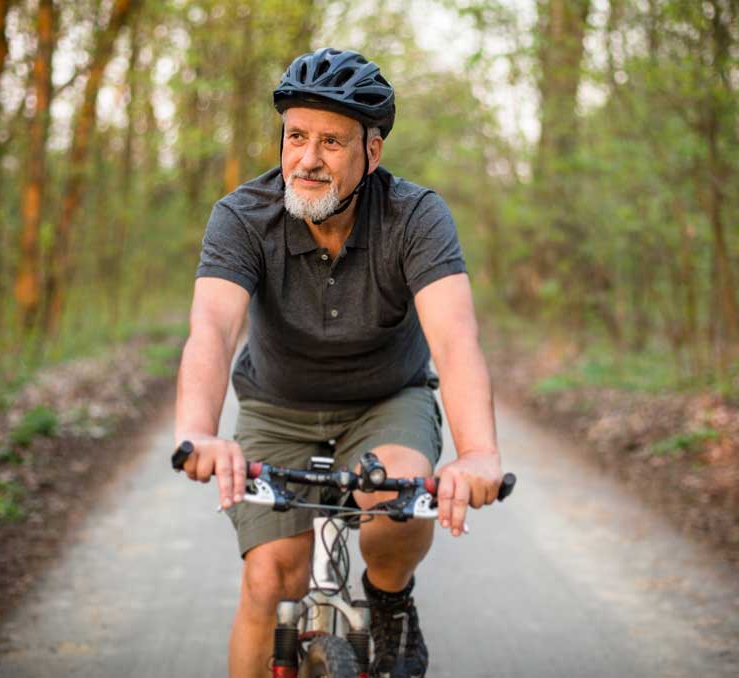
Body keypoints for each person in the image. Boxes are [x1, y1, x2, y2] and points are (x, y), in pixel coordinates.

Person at [174, 47, 505, 678]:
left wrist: (478, 452)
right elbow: (212, 330)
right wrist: (196, 430)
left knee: (396, 504)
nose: (308, 158)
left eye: (331, 141)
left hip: (386, 402)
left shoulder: (415, 216)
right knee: (271, 579)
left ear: (371, 154)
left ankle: (390, 597)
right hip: (278, 406)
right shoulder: (242, 216)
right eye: (296, 136)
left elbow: (457, 342)